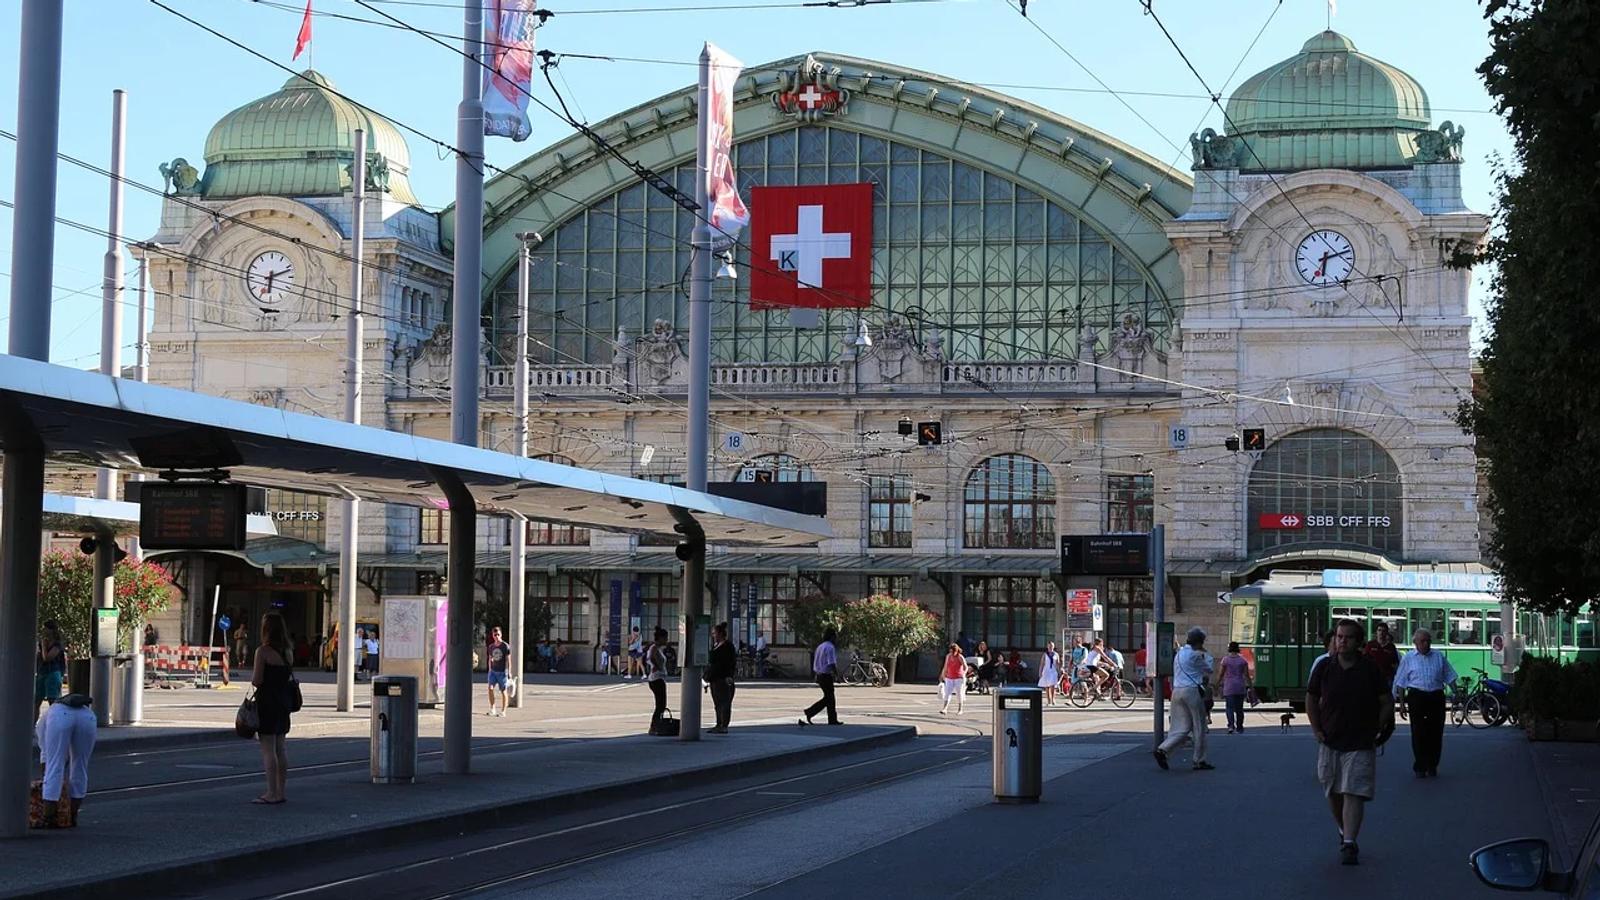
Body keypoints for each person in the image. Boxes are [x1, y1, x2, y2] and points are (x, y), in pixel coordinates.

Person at [1307, 618, 1395, 865]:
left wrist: (1376, 726)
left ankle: (1349, 843)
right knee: (1333, 791)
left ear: (1359, 643)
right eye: (1338, 636)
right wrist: (1316, 729)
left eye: (1347, 637)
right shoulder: (1324, 667)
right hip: (1330, 739)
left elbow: (1387, 701)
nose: (1341, 641)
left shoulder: (1369, 669)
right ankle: (1343, 829)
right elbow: (1311, 699)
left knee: (1352, 791)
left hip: (1359, 741)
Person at [1392, 627, 1457, 778]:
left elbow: (1449, 675)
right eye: (1422, 641)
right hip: (1417, 696)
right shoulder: (1408, 658)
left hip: (1435, 695)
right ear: (1415, 643)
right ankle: (1420, 765)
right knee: (1419, 732)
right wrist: (1401, 704)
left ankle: (1432, 764)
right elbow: (1400, 682)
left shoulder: (1438, 656)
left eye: (1428, 641)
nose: (1425, 644)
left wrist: (1455, 691)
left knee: (1435, 732)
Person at [1154, 627, 1215, 772]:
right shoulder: (1196, 655)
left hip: (1177, 691)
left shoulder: (1179, 653)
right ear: (1200, 642)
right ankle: (1199, 760)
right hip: (1191, 691)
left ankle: (1163, 749)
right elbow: (1209, 668)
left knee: (1182, 726)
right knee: (1199, 726)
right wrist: (1205, 653)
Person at [33, 692, 96, 829]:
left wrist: (45, 782)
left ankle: (48, 817)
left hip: (60, 717)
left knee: (54, 766)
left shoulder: (43, 724)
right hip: (88, 717)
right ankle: (72, 816)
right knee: (80, 766)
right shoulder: (52, 711)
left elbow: (46, 758)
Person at [252, 612, 295, 805]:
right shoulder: (288, 651)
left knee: (268, 750)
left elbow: (257, 680)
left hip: (267, 703)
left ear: (266, 629)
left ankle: (271, 792)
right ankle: (281, 791)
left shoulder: (263, 651)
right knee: (280, 748)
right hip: (283, 703)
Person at [799, 627, 841, 726]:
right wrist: (836, 675)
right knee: (829, 698)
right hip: (826, 675)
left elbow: (816, 661)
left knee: (829, 697)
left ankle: (831, 719)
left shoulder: (820, 646)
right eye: (835, 637)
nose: (836, 640)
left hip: (820, 674)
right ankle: (810, 712)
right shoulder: (830, 647)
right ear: (832, 637)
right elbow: (831, 663)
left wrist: (816, 674)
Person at [705, 623, 737, 733]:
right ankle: (718, 723)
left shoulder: (728, 646)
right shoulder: (715, 645)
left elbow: (730, 663)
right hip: (714, 678)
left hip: (723, 678)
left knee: (725, 702)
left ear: (720, 634)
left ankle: (724, 725)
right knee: (717, 702)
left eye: (715, 633)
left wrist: (729, 676)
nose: (713, 635)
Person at [1217, 641, 1253, 734]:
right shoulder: (1242, 660)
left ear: (1229, 649)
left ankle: (1231, 726)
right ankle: (1240, 727)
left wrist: (1217, 684)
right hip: (1240, 685)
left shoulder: (1225, 660)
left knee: (1229, 707)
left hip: (1229, 686)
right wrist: (1251, 686)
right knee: (1239, 708)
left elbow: (1221, 674)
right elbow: (1246, 675)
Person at [34, 620, 66, 720]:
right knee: (36, 701)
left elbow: (47, 658)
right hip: (41, 672)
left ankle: (54, 724)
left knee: (53, 701)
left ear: (51, 630)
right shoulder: (42, 642)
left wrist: (44, 646)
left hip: (53, 673)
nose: (44, 631)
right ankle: (33, 725)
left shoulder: (57, 644)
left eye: (46, 628)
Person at [1364, 622, 1402, 689]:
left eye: (1383, 631)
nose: (1381, 633)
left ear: (1387, 633)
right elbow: (1364, 659)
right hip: (1372, 676)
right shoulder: (1370, 645)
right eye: (1379, 630)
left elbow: (1395, 664)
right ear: (1376, 632)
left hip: (1386, 677)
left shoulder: (1391, 647)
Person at [646, 627, 670, 732]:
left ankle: (656, 725)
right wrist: (656, 666)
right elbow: (649, 658)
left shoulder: (658, 648)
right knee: (660, 704)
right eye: (665, 638)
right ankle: (654, 725)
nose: (666, 640)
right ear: (660, 638)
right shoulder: (654, 647)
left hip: (659, 678)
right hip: (656, 678)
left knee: (661, 704)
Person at [485, 626, 511, 717]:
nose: (497, 636)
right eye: (495, 635)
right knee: (490, 688)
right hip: (493, 671)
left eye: (498, 634)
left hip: (502, 672)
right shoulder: (491, 647)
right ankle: (492, 708)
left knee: (503, 691)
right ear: (492, 635)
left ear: (501, 635)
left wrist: (508, 672)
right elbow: (490, 658)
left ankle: (503, 711)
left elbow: (508, 660)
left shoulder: (505, 646)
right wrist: (489, 669)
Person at [939, 643, 967, 715]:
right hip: (949, 677)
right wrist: (942, 674)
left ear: (957, 651)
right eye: (951, 651)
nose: (952, 653)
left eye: (954, 652)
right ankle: (945, 708)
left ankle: (960, 709)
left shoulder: (960, 657)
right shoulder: (948, 656)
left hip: (959, 678)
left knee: (959, 693)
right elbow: (945, 666)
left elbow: (965, 667)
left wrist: (964, 673)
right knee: (947, 693)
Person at [1037, 640, 1061, 706]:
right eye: (1049, 646)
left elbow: (1058, 664)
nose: (1051, 647)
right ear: (1047, 647)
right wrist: (1040, 672)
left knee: (1053, 685)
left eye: (1052, 646)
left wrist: (1059, 671)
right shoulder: (1045, 654)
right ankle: (1049, 700)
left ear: (1053, 646)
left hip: (1053, 671)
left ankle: (1053, 699)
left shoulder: (1056, 654)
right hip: (1046, 671)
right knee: (1047, 686)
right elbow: (1042, 664)